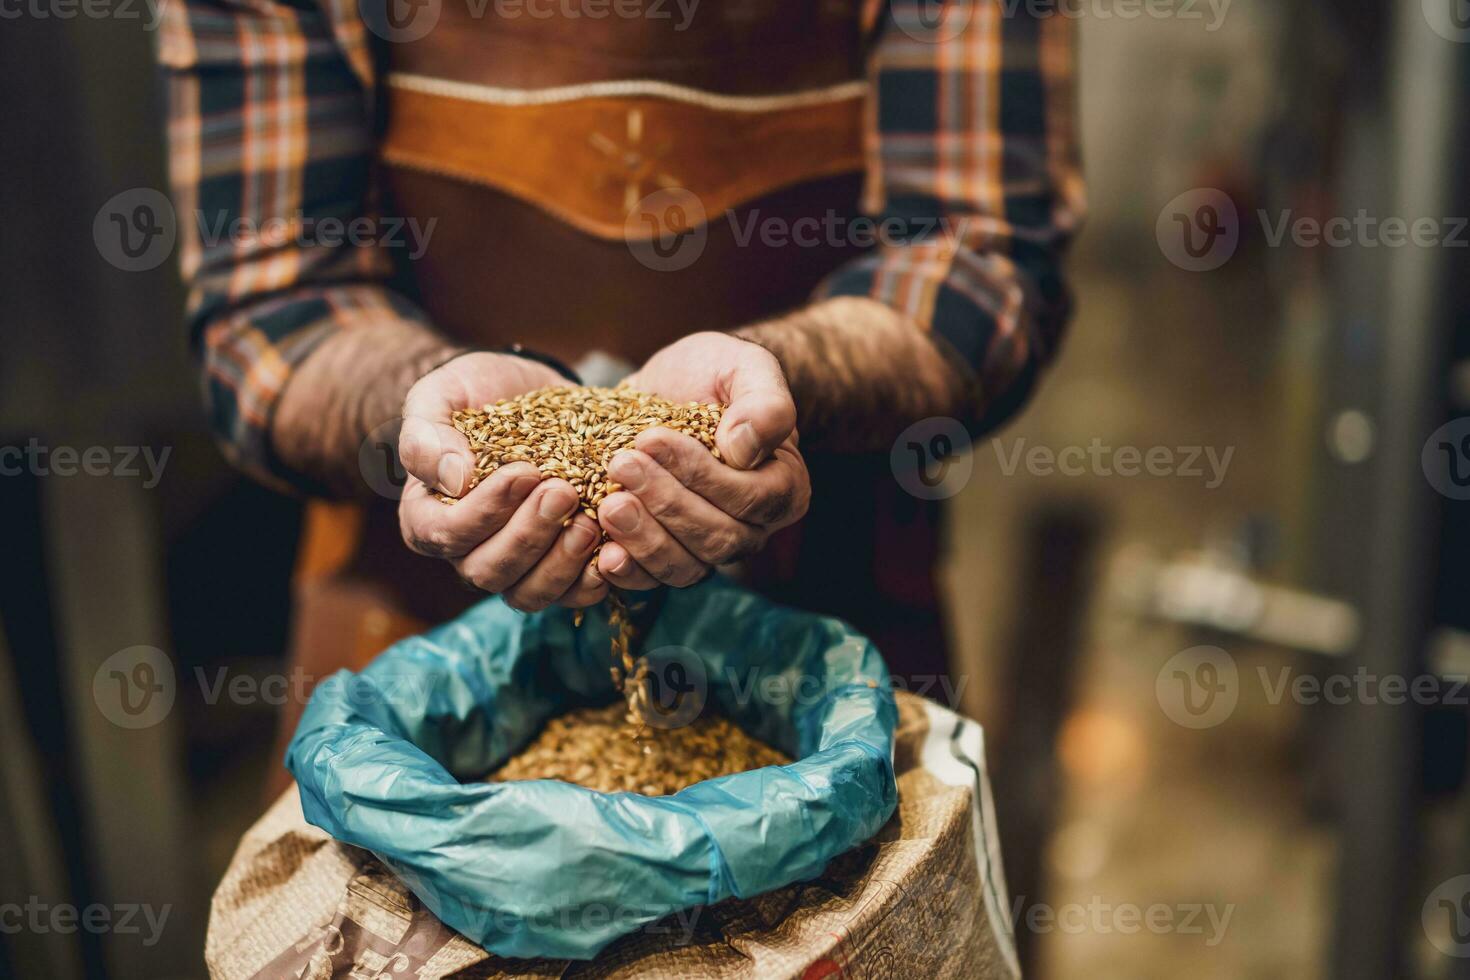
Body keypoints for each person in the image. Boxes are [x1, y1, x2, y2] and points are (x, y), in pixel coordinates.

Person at [157, 0, 1082, 792]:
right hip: (412, 629)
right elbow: (270, 311)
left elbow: (980, 260)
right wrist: (439, 418)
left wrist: (776, 382)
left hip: (824, 605)